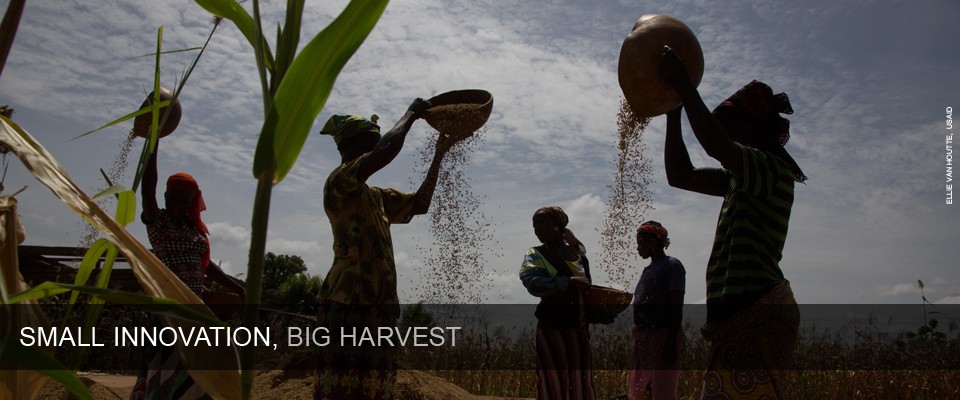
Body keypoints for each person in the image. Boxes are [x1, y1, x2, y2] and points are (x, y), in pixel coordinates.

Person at [657, 46, 805, 399]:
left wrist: (685, 88)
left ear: (753, 129)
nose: (731, 137)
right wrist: (673, 111)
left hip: (758, 313)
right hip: (741, 319)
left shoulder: (772, 169)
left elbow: (716, 145)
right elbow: (681, 175)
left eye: (735, 129)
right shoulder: (738, 179)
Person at [313, 98, 461, 400]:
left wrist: (439, 155)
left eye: (374, 145)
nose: (372, 151)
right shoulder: (339, 183)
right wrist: (412, 114)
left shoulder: (376, 196)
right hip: (347, 303)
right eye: (368, 145)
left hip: (379, 304)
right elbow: (385, 153)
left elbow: (419, 205)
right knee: (340, 388)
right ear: (348, 149)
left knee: (375, 387)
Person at [132, 138, 244, 400]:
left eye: (185, 200)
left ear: (191, 202)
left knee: (196, 374)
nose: (178, 204)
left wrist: (236, 287)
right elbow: (147, 191)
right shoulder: (159, 224)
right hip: (169, 310)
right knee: (166, 369)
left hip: (195, 310)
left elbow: (205, 266)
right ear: (165, 197)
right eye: (173, 198)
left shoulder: (194, 230)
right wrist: (154, 143)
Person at [519, 206, 596, 400]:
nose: (536, 230)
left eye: (540, 224)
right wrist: (566, 282)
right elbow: (531, 282)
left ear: (557, 226)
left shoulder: (578, 257)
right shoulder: (536, 254)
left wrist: (598, 311)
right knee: (553, 384)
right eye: (534, 226)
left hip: (579, 329)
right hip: (552, 328)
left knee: (580, 382)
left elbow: (588, 289)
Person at [629, 221, 685, 400]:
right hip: (644, 337)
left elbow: (677, 305)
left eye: (641, 242)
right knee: (640, 388)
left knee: (663, 390)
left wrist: (670, 342)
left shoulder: (672, 265)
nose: (638, 248)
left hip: (663, 335)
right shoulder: (648, 270)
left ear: (654, 242)